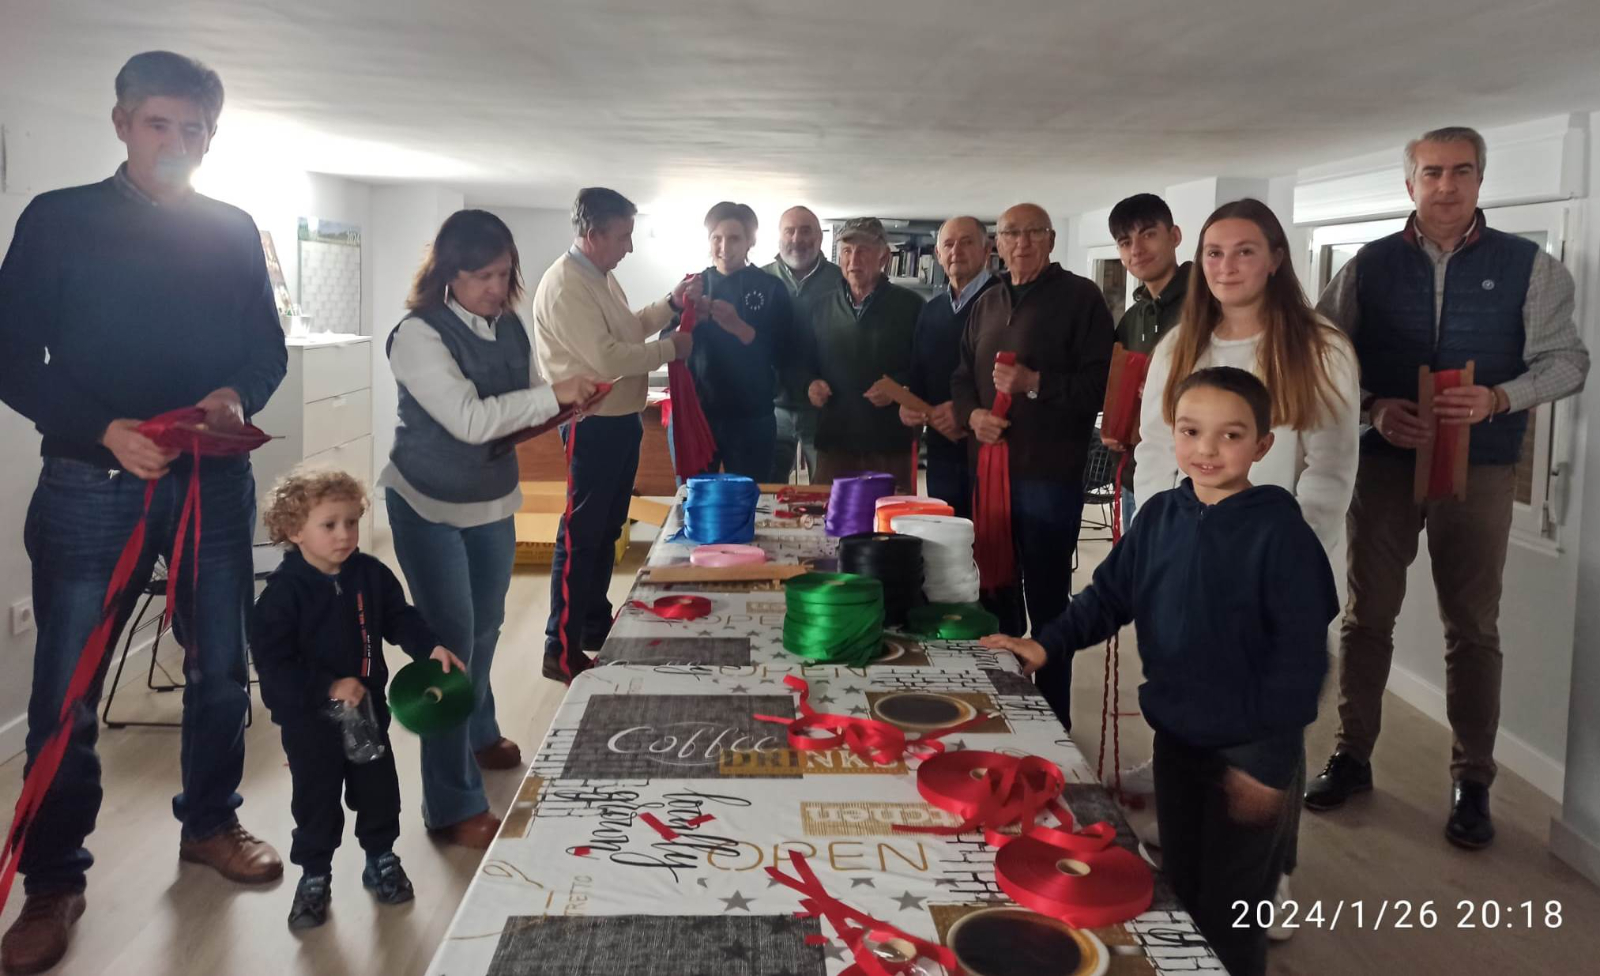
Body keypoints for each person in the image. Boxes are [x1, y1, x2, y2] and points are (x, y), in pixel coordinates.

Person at [0, 51, 287, 974]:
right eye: (158, 124)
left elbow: (264, 348)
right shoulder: (58, 220)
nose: (176, 143)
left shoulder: (235, 228)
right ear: (123, 122)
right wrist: (105, 429)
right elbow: (11, 359)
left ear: (212, 136)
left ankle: (209, 824)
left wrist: (238, 395)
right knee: (67, 692)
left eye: (194, 130)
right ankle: (53, 881)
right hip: (94, 482)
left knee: (217, 673)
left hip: (211, 481)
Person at [982, 367, 1338, 976]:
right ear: (1172, 433)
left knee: (1233, 908)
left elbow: (1302, 662)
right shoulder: (1159, 518)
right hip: (1178, 740)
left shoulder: (1281, 534)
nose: (1206, 449)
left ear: (1262, 445)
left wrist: (1269, 768)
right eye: (1192, 431)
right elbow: (1107, 597)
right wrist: (1047, 644)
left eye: (1230, 436)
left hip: (1248, 755)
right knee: (1180, 885)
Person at [1307, 126, 1590, 849]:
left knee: (1473, 628)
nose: (1446, 185)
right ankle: (1353, 754)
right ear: (1409, 184)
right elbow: (1322, 361)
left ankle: (1473, 780)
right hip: (1386, 465)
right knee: (1367, 617)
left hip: (1483, 470)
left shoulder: (1533, 267)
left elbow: (1568, 364)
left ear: (1479, 180)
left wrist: (1500, 398)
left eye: (1461, 171)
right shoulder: (1368, 266)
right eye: (1431, 172)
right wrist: (1372, 406)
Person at [1133, 197, 1359, 938]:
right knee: (1192, 702)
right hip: (1186, 558)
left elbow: (1329, 469)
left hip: (1274, 570)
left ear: (1276, 258)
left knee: (1270, 721)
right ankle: (1195, 853)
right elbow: (1155, 453)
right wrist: (1155, 543)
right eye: (1217, 252)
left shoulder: (1320, 347)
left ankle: (1268, 875)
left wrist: (1277, 554)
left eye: (1246, 251)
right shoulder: (1179, 343)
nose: (1228, 267)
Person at [381, 209, 599, 848]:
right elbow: (473, 421)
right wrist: (552, 394)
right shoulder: (416, 335)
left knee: (485, 627)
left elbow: (524, 399)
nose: (497, 289)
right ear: (448, 273)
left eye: (505, 275)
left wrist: (564, 401)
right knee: (449, 648)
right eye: (482, 277)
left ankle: (478, 734)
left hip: (490, 498)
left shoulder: (509, 326)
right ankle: (450, 807)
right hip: (427, 501)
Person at [251, 469, 467, 929]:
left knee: (378, 790)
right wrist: (327, 687)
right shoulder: (279, 598)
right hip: (310, 724)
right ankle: (314, 875)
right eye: (329, 525)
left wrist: (428, 646)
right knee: (315, 798)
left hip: (368, 712)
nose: (345, 534)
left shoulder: (370, 575)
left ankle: (381, 858)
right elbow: (274, 666)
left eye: (351, 521)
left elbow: (399, 617)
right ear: (294, 531)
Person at [950, 203, 1113, 729]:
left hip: (1048, 475)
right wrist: (973, 414)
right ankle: (1006, 708)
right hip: (989, 471)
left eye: (1033, 233)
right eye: (1011, 233)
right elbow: (960, 376)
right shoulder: (987, 300)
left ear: (1051, 240)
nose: (1021, 242)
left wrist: (1035, 383)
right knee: (995, 593)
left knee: (1046, 602)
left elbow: (1099, 385)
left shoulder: (1081, 298)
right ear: (997, 243)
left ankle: (1053, 721)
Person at [533, 188, 696, 679]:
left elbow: (628, 331)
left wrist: (670, 304)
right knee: (582, 534)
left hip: (618, 420)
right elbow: (608, 358)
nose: (629, 247)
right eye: (623, 236)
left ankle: (590, 624)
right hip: (591, 424)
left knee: (606, 530)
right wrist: (672, 350)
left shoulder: (600, 278)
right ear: (592, 233)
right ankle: (557, 647)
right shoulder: (566, 285)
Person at [671, 201, 798, 480]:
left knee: (751, 501)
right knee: (693, 499)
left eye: (734, 238)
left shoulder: (770, 287)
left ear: (750, 241)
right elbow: (666, 345)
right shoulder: (691, 286)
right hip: (697, 414)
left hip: (751, 416)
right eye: (717, 238)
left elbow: (785, 353)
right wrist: (690, 323)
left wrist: (740, 328)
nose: (724, 247)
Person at [805, 218, 926, 492]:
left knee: (889, 525)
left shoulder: (912, 306)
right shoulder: (820, 306)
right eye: (847, 251)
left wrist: (898, 387)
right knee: (828, 520)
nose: (853, 259)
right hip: (835, 441)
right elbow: (804, 361)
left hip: (890, 443)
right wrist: (810, 383)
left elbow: (925, 367)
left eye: (863, 251)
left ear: (884, 256)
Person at [899, 216, 998, 518]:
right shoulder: (931, 309)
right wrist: (910, 406)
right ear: (938, 255)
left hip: (990, 448)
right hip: (942, 449)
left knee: (992, 545)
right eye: (949, 244)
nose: (957, 251)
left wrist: (965, 411)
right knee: (948, 538)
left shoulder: (1003, 301)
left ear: (986, 250)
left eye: (967, 242)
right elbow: (919, 372)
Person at [1103, 193, 1191, 525]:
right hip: (1137, 472)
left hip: (1191, 477)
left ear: (1175, 236)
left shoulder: (1207, 305)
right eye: (1125, 242)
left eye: (1148, 234)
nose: (1136, 249)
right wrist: (1118, 428)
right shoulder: (1132, 318)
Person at [764, 205, 842, 482]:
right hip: (771, 408)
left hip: (824, 410)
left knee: (827, 492)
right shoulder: (760, 280)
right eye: (790, 231)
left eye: (806, 231)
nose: (797, 239)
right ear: (779, 237)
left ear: (820, 238)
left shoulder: (842, 280)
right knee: (768, 492)